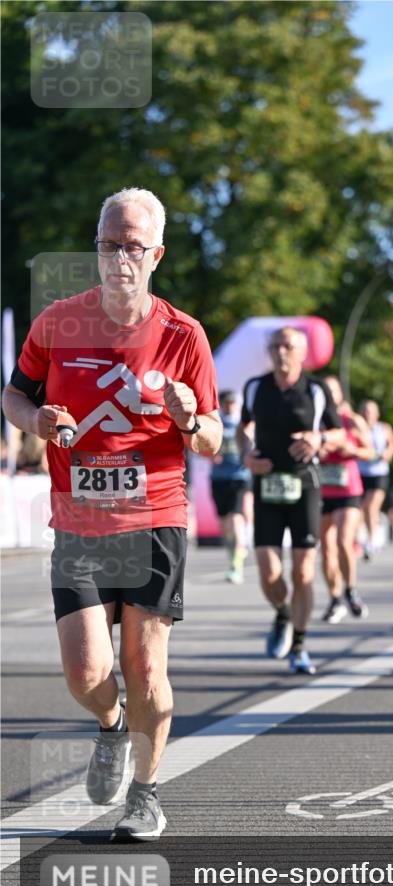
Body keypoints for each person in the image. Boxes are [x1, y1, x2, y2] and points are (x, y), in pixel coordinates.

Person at [2, 188, 221, 840]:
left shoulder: (183, 335)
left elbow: (213, 438)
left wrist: (190, 420)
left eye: (131, 246)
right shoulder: (57, 323)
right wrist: (36, 421)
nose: (118, 257)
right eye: (107, 244)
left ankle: (146, 795)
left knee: (145, 668)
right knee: (85, 672)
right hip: (79, 523)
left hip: (154, 518)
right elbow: (13, 396)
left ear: (156, 255)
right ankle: (110, 725)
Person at [237, 326, 345, 674]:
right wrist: (246, 456)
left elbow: (339, 433)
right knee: (269, 573)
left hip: (305, 485)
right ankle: (283, 613)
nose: (280, 352)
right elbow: (243, 429)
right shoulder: (256, 387)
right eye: (275, 346)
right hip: (266, 484)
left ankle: (299, 645)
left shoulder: (315, 389)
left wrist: (318, 439)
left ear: (302, 352)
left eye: (287, 346)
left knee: (303, 570)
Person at [318, 375, 374, 623]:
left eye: (333, 391)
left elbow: (371, 451)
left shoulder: (352, 420)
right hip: (323, 490)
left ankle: (351, 590)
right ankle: (334, 599)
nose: (330, 395)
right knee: (326, 549)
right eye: (325, 391)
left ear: (340, 394)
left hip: (348, 489)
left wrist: (354, 450)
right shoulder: (316, 419)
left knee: (343, 541)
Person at [210, 390, 252, 583]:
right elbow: (201, 447)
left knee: (236, 519)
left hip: (239, 476)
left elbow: (254, 445)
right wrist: (210, 454)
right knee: (224, 525)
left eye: (233, 403)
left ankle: (237, 565)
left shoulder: (244, 424)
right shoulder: (215, 423)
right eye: (227, 403)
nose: (230, 406)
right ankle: (234, 555)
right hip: (219, 478)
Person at [357, 399, 393, 559]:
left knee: (372, 507)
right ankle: (362, 539)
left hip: (379, 473)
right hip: (361, 472)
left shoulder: (384, 428)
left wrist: (388, 453)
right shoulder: (357, 428)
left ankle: (372, 541)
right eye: (366, 411)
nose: (368, 414)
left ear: (377, 414)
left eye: (371, 411)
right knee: (360, 510)